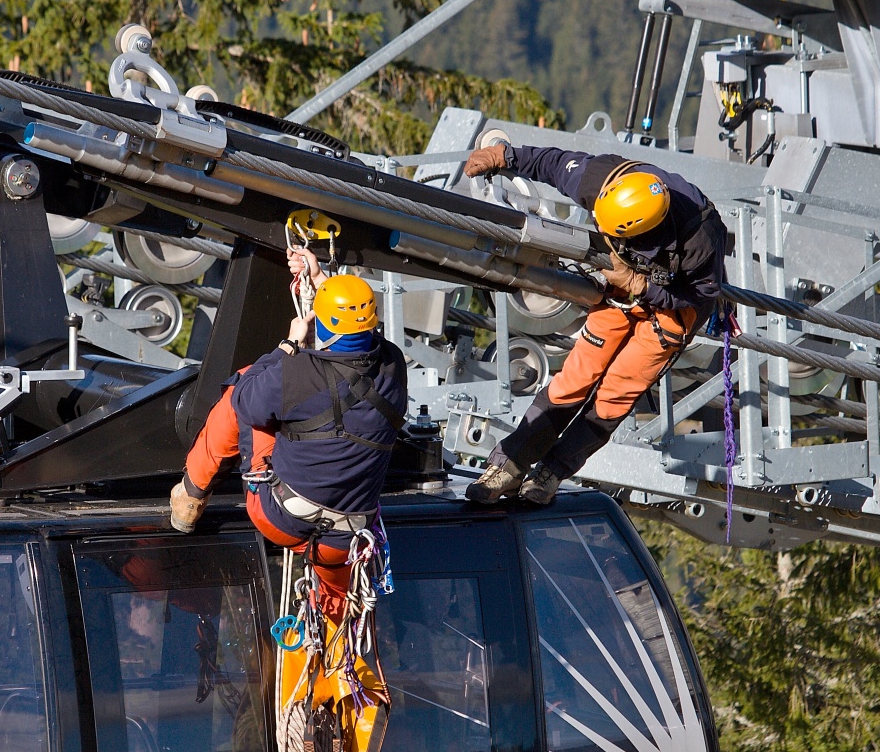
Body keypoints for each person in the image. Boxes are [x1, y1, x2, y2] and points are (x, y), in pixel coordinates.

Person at [462, 141, 726, 504]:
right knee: (575, 379)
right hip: (621, 288)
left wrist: (639, 284)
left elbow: (697, 296)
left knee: (615, 395)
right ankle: (507, 466)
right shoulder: (603, 180)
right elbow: (551, 163)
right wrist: (505, 155)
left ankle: (551, 472)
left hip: (671, 307)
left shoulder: (702, 239)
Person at [170, 248, 408, 622]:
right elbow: (357, 334)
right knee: (341, 615)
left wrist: (290, 344)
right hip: (345, 540)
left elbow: (248, 399)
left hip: (280, 517)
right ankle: (337, 653)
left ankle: (191, 495)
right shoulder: (394, 366)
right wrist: (319, 281)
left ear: (323, 326)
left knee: (243, 389)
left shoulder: (297, 373)